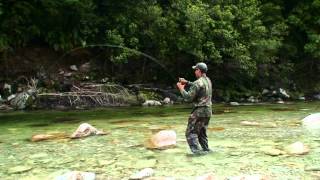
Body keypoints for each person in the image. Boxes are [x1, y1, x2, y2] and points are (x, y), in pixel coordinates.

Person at [176, 62, 213, 155]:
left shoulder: (198, 82)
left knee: (190, 133)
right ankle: (206, 150)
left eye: (195, 70)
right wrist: (187, 82)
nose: (195, 72)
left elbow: (188, 97)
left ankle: (197, 154)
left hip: (199, 112)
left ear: (199, 71)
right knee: (201, 133)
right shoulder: (208, 80)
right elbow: (198, 86)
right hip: (208, 111)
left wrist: (181, 88)